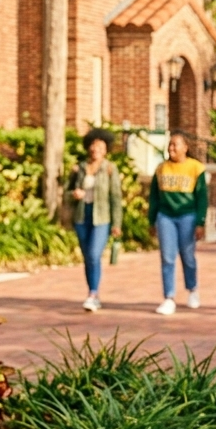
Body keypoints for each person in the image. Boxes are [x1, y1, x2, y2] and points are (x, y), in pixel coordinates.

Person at [148, 132, 207, 315]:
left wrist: (200, 221)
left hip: (187, 216)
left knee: (188, 255)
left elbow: (202, 197)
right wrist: (152, 220)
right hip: (165, 216)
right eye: (170, 145)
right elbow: (154, 197)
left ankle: (192, 289)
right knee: (167, 257)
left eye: (175, 144)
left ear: (185, 147)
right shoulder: (161, 169)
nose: (171, 148)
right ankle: (169, 297)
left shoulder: (196, 168)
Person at [68, 128, 123, 312]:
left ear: (106, 149)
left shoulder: (109, 168)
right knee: (87, 258)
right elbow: (67, 192)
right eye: (93, 145)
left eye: (100, 146)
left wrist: (117, 223)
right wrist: (74, 194)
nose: (95, 149)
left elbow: (115, 197)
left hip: (102, 217)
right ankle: (93, 293)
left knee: (94, 254)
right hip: (82, 216)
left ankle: (93, 293)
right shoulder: (80, 168)